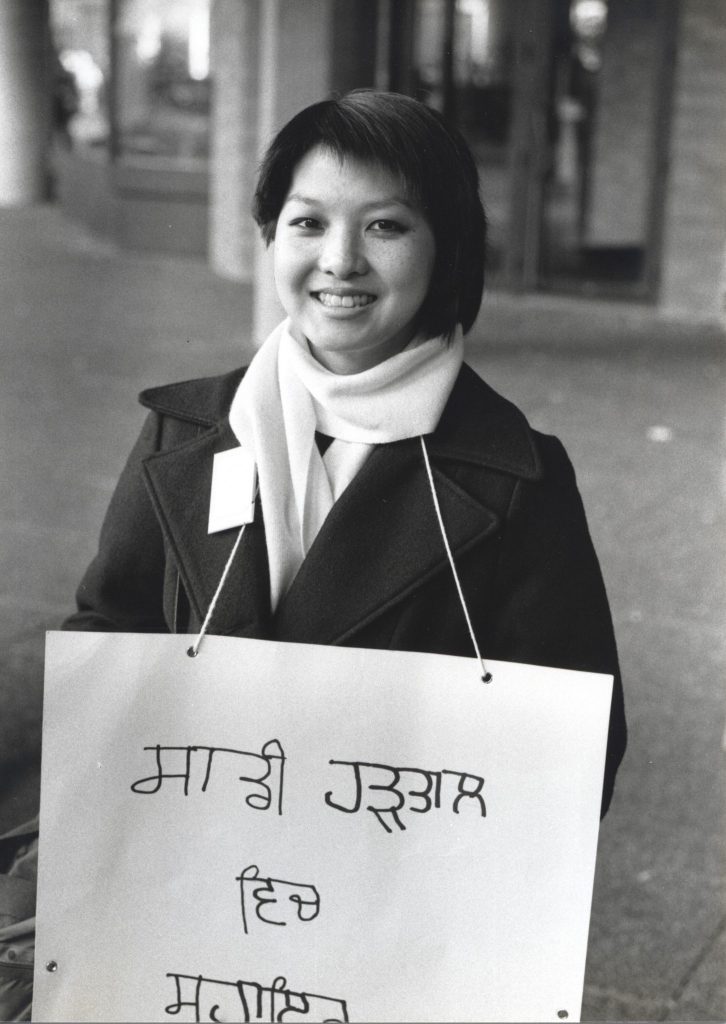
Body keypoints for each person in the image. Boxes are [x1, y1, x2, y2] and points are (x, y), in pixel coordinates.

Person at [0, 90, 626, 1020]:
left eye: (384, 226)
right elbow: (114, 625)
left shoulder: (520, 481)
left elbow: (576, 747)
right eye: (308, 222)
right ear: (270, 237)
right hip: (176, 896)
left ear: (445, 247)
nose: (340, 261)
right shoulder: (189, 432)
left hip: (377, 934)